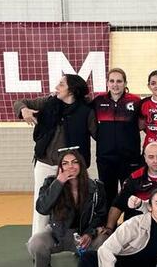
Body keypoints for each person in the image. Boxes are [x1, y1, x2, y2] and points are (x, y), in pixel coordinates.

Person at [15, 73, 96, 236]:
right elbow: (19, 102)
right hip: (45, 162)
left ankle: (79, 242)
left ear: (72, 90)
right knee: (42, 205)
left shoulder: (86, 111)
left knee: (76, 203)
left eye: (61, 84)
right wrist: (23, 110)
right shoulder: (47, 103)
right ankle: (37, 245)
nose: (56, 88)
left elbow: (98, 134)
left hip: (72, 166)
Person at [27, 149, 107, 267]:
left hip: (83, 236)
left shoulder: (95, 187)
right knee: (36, 242)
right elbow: (42, 208)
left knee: (104, 240)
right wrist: (58, 183)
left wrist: (89, 233)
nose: (70, 166)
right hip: (58, 234)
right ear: (60, 167)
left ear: (81, 165)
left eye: (75, 162)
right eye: (65, 163)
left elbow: (101, 215)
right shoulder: (50, 183)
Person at [90, 67, 142, 206]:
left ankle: (130, 225)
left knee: (131, 193)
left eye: (119, 81)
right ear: (107, 83)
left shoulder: (136, 101)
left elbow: (143, 123)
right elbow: (91, 123)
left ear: (125, 83)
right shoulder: (98, 101)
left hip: (130, 157)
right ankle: (109, 226)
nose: (115, 84)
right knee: (107, 193)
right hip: (105, 157)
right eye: (112, 81)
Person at [105, 140, 157, 231]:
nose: (156, 161)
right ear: (145, 158)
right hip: (137, 228)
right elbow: (118, 205)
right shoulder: (134, 178)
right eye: (151, 157)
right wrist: (109, 228)